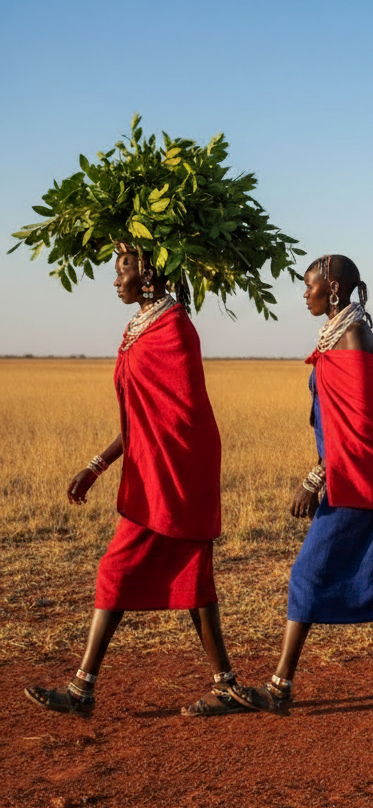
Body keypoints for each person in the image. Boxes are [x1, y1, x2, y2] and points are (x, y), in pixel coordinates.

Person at [24, 244, 240, 717]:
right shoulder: (139, 328)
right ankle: (226, 684)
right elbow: (140, 416)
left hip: (177, 473)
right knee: (194, 579)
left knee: (117, 571)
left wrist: (149, 468)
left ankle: (83, 688)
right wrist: (97, 465)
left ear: (147, 276)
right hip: (153, 473)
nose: (115, 281)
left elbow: (180, 416)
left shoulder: (175, 328)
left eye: (122, 270)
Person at [230, 254, 373, 715]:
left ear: (332, 289)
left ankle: (279, 688)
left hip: (357, 476)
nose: (304, 293)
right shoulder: (342, 333)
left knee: (308, 573)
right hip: (358, 475)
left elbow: (355, 423)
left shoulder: (355, 335)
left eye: (309, 286)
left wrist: (316, 477)